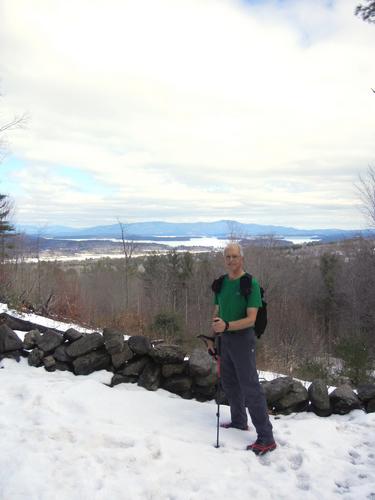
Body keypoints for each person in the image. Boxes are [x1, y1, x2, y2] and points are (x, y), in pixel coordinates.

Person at [210, 243, 276, 456]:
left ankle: (266, 437)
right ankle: (239, 421)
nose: (231, 260)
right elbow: (218, 309)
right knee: (229, 382)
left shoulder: (250, 284)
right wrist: (215, 334)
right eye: (227, 257)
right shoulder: (221, 283)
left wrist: (227, 326)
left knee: (250, 387)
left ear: (241, 258)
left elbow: (251, 319)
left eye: (234, 257)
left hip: (243, 339)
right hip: (225, 339)